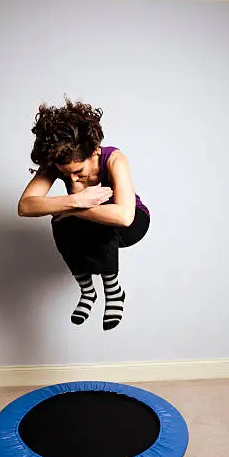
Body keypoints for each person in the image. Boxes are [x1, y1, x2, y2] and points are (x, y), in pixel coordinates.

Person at [18, 99, 150, 330]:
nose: (72, 179)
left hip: (133, 222)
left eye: (78, 172)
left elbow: (124, 216)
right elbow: (26, 206)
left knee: (94, 222)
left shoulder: (114, 159)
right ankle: (87, 291)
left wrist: (71, 210)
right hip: (92, 225)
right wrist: (75, 201)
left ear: (95, 150)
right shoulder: (59, 161)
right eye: (65, 175)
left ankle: (113, 290)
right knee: (60, 225)